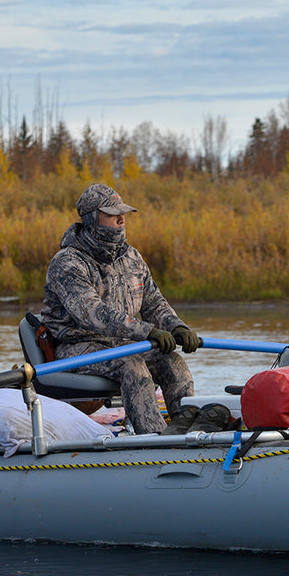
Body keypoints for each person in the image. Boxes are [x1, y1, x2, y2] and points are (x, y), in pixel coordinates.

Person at [39, 183, 203, 434]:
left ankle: (189, 431)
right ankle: (155, 438)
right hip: (77, 348)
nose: (121, 219)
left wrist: (177, 327)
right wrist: (147, 332)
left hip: (123, 344)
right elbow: (93, 314)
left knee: (172, 361)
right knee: (131, 364)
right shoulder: (67, 262)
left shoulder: (132, 257)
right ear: (92, 219)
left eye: (123, 213)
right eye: (112, 214)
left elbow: (153, 302)